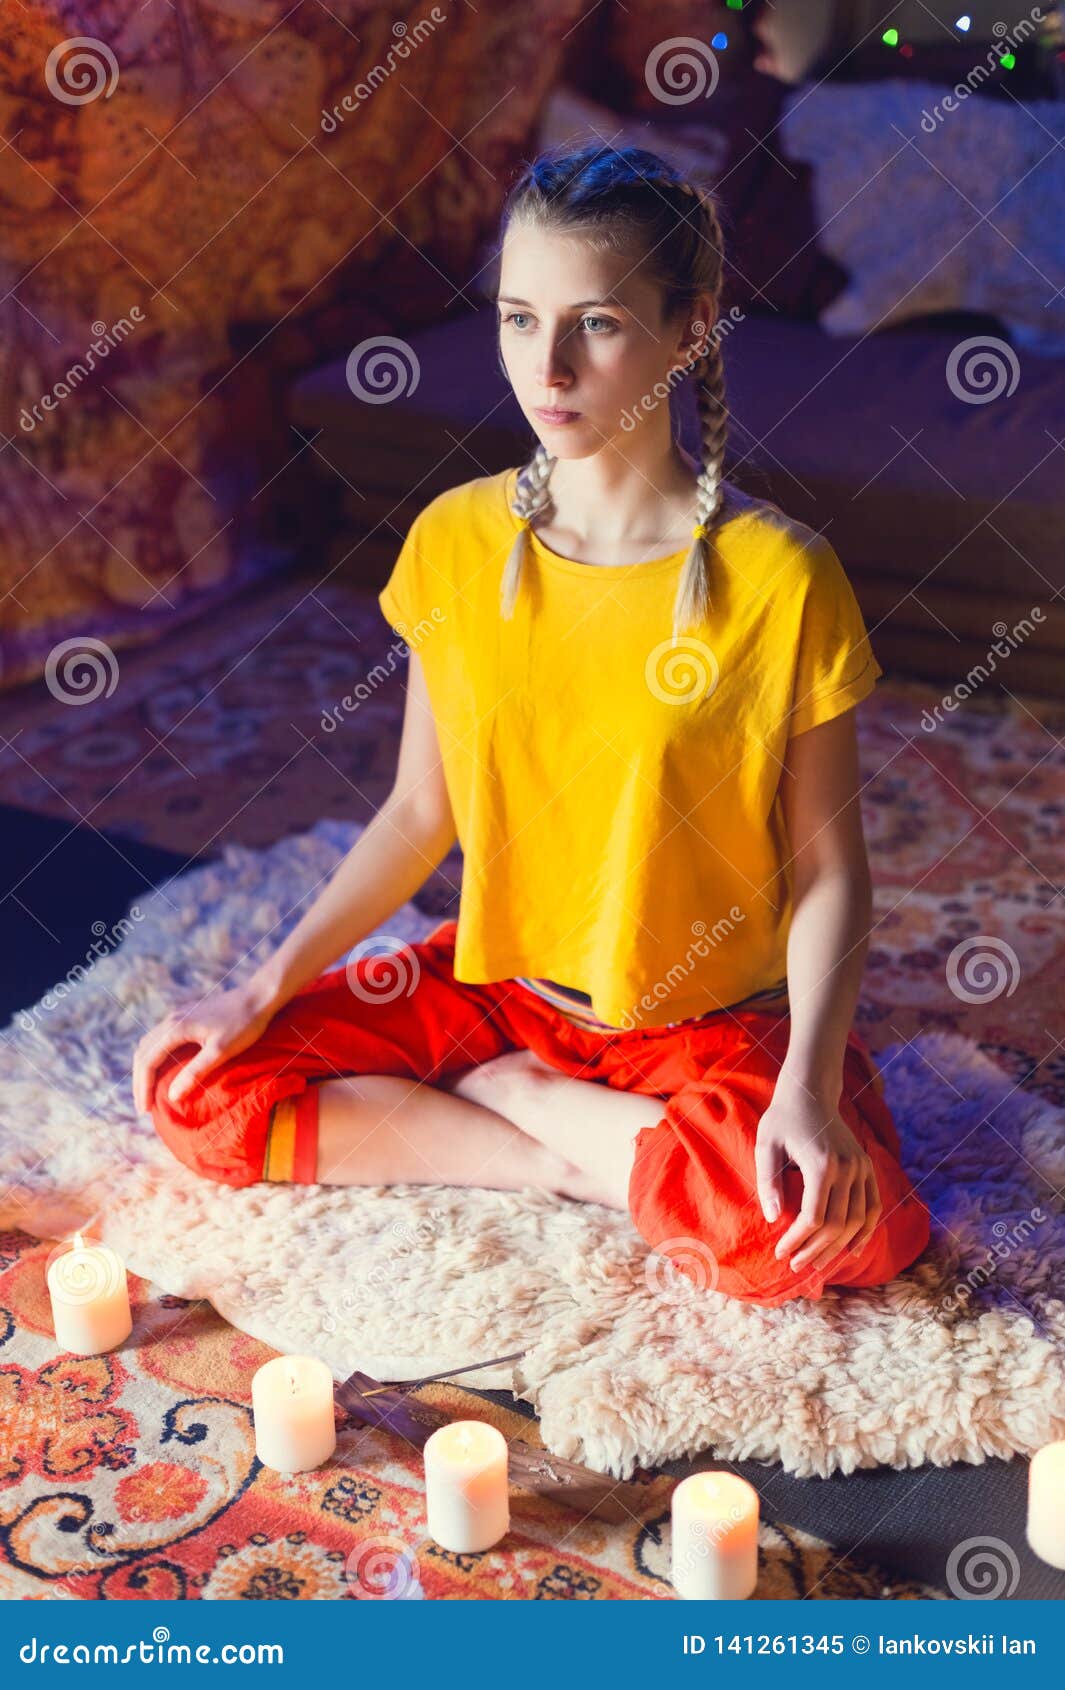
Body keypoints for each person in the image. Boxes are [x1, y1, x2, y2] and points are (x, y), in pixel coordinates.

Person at [134, 143, 931, 1307]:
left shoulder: (779, 576)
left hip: (704, 1024)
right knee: (197, 1087)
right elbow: (419, 813)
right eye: (517, 317)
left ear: (693, 326)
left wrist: (806, 1090)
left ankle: (537, 1105)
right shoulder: (456, 541)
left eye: (596, 325)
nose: (545, 367)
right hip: (506, 996)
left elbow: (830, 879)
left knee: (822, 1232)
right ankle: (559, 1152)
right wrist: (261, 987)